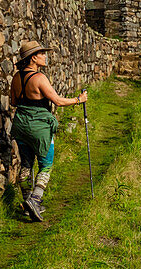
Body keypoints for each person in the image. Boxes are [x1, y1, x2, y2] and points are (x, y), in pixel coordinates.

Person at [8, 41, 87, 222]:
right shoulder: (39, 78)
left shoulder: (16, 77)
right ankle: (35, 200)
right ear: (33, 57)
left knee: (26, 164)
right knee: (46, 164)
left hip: (20, 124)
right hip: (39, 126)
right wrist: (78, 99)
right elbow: (58, 101)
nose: (45, 56)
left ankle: (27, 201)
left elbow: (13, 101)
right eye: (42, 53)